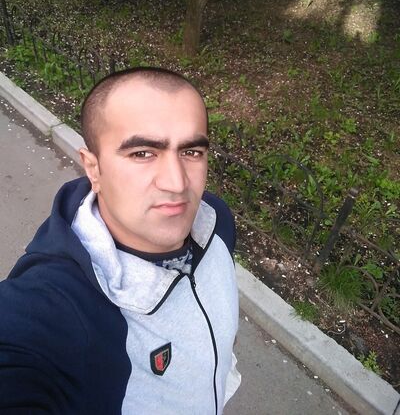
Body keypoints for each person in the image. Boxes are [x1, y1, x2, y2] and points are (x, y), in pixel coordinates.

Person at [0, 66, 241, 414]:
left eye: (191, 152)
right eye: (142, 153)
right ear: (93, 168)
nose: (176, 183)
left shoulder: (217, 221)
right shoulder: (56, 306)